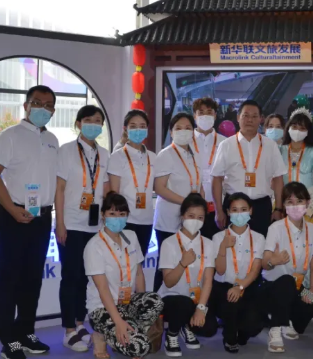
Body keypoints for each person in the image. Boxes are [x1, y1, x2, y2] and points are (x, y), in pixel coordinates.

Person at [0, 85, 58, 359]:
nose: (43, 108)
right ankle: (9, 341)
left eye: (48, 105)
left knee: (32, 279)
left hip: (41, 217)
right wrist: (13, 210)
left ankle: (26, 332)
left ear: (53, 110)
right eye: (37, 102)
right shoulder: (10, 135)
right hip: (13, 215)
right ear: (26, 105)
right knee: (9, 279)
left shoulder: (52, 139)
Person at [55, 105, 111, 352]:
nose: (93, 124)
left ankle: (80, 324)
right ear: (78, 123)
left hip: (95, 225)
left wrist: (108, 222)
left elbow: (106, 189)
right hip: (71, 223)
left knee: (87, 278)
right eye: (88, 120)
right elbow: (59, 189)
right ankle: (68, 330)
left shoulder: (104, 154)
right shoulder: (66, 151)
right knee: (71, 276)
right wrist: (60, 223)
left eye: (98, 121)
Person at [84, 192, 164, 359]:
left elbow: (139, 273)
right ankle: (101, 335)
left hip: (127, 302)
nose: (117, 218)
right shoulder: (94, 246)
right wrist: (119, 322)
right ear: (103, 215)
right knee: (140, 348)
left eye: (122, 214)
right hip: (103, 308)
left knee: (155, 301)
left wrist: (141, 303)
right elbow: (102, 289)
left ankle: (131, 331)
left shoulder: (131, 236)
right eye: (112, 213)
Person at [259, 182, 313, 353]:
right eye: (290, 202)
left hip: (297, 288)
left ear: (308, 203)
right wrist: (274, 260)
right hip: (272, 286)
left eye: (299, 201)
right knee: (287, 281)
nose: (295, 206)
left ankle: (286, 320)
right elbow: (264, 263)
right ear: (284, 205)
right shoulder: (276, 228)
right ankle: (275, 329)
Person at [211, 100, 286, 237]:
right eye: (245, 115)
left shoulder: (270, 146)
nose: (250, 120)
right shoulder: (226, 145)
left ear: (261, 119)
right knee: (233, 246)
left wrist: (279, 208)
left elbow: (278, 178)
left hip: (262, 207)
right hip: (234, 207)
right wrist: (218, 211)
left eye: (254, 116)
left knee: (262, 245)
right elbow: (216, 178)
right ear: (238, 117)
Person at [158, 194, 217, 357]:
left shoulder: (208, 244)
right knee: (182, 304)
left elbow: (208, 280)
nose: (195, 221)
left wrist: (201, 309)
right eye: (191, 216)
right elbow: (168, 282)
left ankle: (185, 326)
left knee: (209, 328)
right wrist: (182, 263)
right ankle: (172, 335)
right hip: (171, 298)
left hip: (195, 299)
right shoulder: (169, 243)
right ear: (182, 216)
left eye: (200, 217)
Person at [211, 192, 266, 353]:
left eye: (243, 209)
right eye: (234, 210)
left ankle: (241, 332)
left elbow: (255, 270)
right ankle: (229, 337)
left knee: (255, 322)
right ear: (228, 212)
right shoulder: (218, 237)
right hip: (223, 288)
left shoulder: (258, 238)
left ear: (250, 211)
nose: (239, 214)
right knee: (231, 301)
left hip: (246, 286)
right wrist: (223, 247)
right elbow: (220, 270)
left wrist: (240, 287)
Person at [154, 113, 203, 291]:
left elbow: (198, 184)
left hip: (191, 220)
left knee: (188, 261)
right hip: (169, 220)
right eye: (179, 128)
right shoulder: (166, 154)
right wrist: (187, 203)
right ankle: (157, 304)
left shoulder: (195, 154)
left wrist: (200, 206)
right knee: (166, 265)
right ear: (171, 132)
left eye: (188, 128)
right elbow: (159, 188)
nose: (184, 131)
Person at [108, 110, 158, 259]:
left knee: (139, 263)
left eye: (142, 126)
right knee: (122, 263)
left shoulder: (153, 157)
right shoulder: (117, 156)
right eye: (133, 126)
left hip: (146, 219)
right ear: (125, 129)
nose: (138, 130)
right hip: (124, 220)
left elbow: (157, 186)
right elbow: (114, 193)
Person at [192, 98, 227, 239]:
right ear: (194, 116)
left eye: (209, 112)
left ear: (215, 115)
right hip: (192, 207)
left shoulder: (225, 142)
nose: (205, 116)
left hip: (219, 207)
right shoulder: (185, 141)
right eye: (201, 113)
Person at [280, 108, 313, 189]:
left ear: (308, 132)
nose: (297, 131)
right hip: (285, 195)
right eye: (294, 127)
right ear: (289, 128)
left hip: (308, 195)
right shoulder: (280, 150)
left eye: (302, 128)